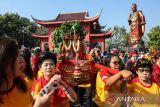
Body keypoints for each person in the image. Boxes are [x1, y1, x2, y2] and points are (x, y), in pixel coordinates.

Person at [0, 36, 55, 107]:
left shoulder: (22, 84)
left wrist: (49, 85)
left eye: (20, 55)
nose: (21, 60)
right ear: (4, 62)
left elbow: (32, 102)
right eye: (17, 55)